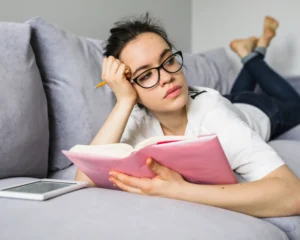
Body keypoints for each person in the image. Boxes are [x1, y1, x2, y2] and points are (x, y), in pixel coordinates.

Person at [75, 14, 300, 217]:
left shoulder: (215, 117)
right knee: (234, 94)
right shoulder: (137, 116)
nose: (166, 78)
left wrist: (181, 191)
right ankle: (252, 50)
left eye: (169, 60)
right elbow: (85, 179)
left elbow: (293, 196)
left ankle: (251, 53)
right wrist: (124, 101)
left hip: (259, 110)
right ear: (132, 90)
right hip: (226, 100)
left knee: (296, 104)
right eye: (145, 75)